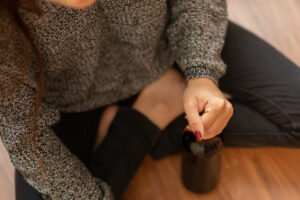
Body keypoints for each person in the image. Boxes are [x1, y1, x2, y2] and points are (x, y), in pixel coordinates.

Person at [0, 0, 299, 199]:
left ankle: (156, 121)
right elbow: (25, 135)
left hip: (171, 49)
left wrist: (201, 73)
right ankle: (150, 117)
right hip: (67, 104)